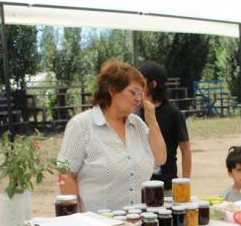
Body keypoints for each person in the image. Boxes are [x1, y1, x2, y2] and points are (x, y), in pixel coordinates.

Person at [57, 59, 166, 211]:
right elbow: (66, 175)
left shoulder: (138, 124)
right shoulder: (81, 125)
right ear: (112, 90)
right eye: (133, 92)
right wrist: (77, 220)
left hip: (140, 224)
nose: (138, 99)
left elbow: (160, 159)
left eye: (141, 94)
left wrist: (152, 120)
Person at [136, 60, 192, 192]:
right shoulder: (133, 112)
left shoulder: (173, 113)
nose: (136, 85)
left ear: (153, 84)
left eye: (141, 81)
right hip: (139, 185)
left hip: (166, 185)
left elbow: (186, 150)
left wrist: (185, 184)